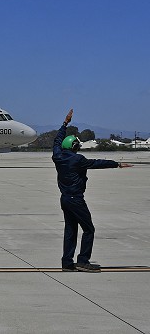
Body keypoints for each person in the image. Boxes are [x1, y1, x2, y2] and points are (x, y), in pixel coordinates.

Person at [53, 109, 133, 272]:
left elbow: (57, 141)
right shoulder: (77, 160)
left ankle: (67, 263)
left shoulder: (58, 156)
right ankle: (83, 261)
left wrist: (64, 124)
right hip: (76, 199)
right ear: (75, 147)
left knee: (70, 230)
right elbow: (96, 163)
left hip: (65, 199)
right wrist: (116, 164)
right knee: (89, 229)